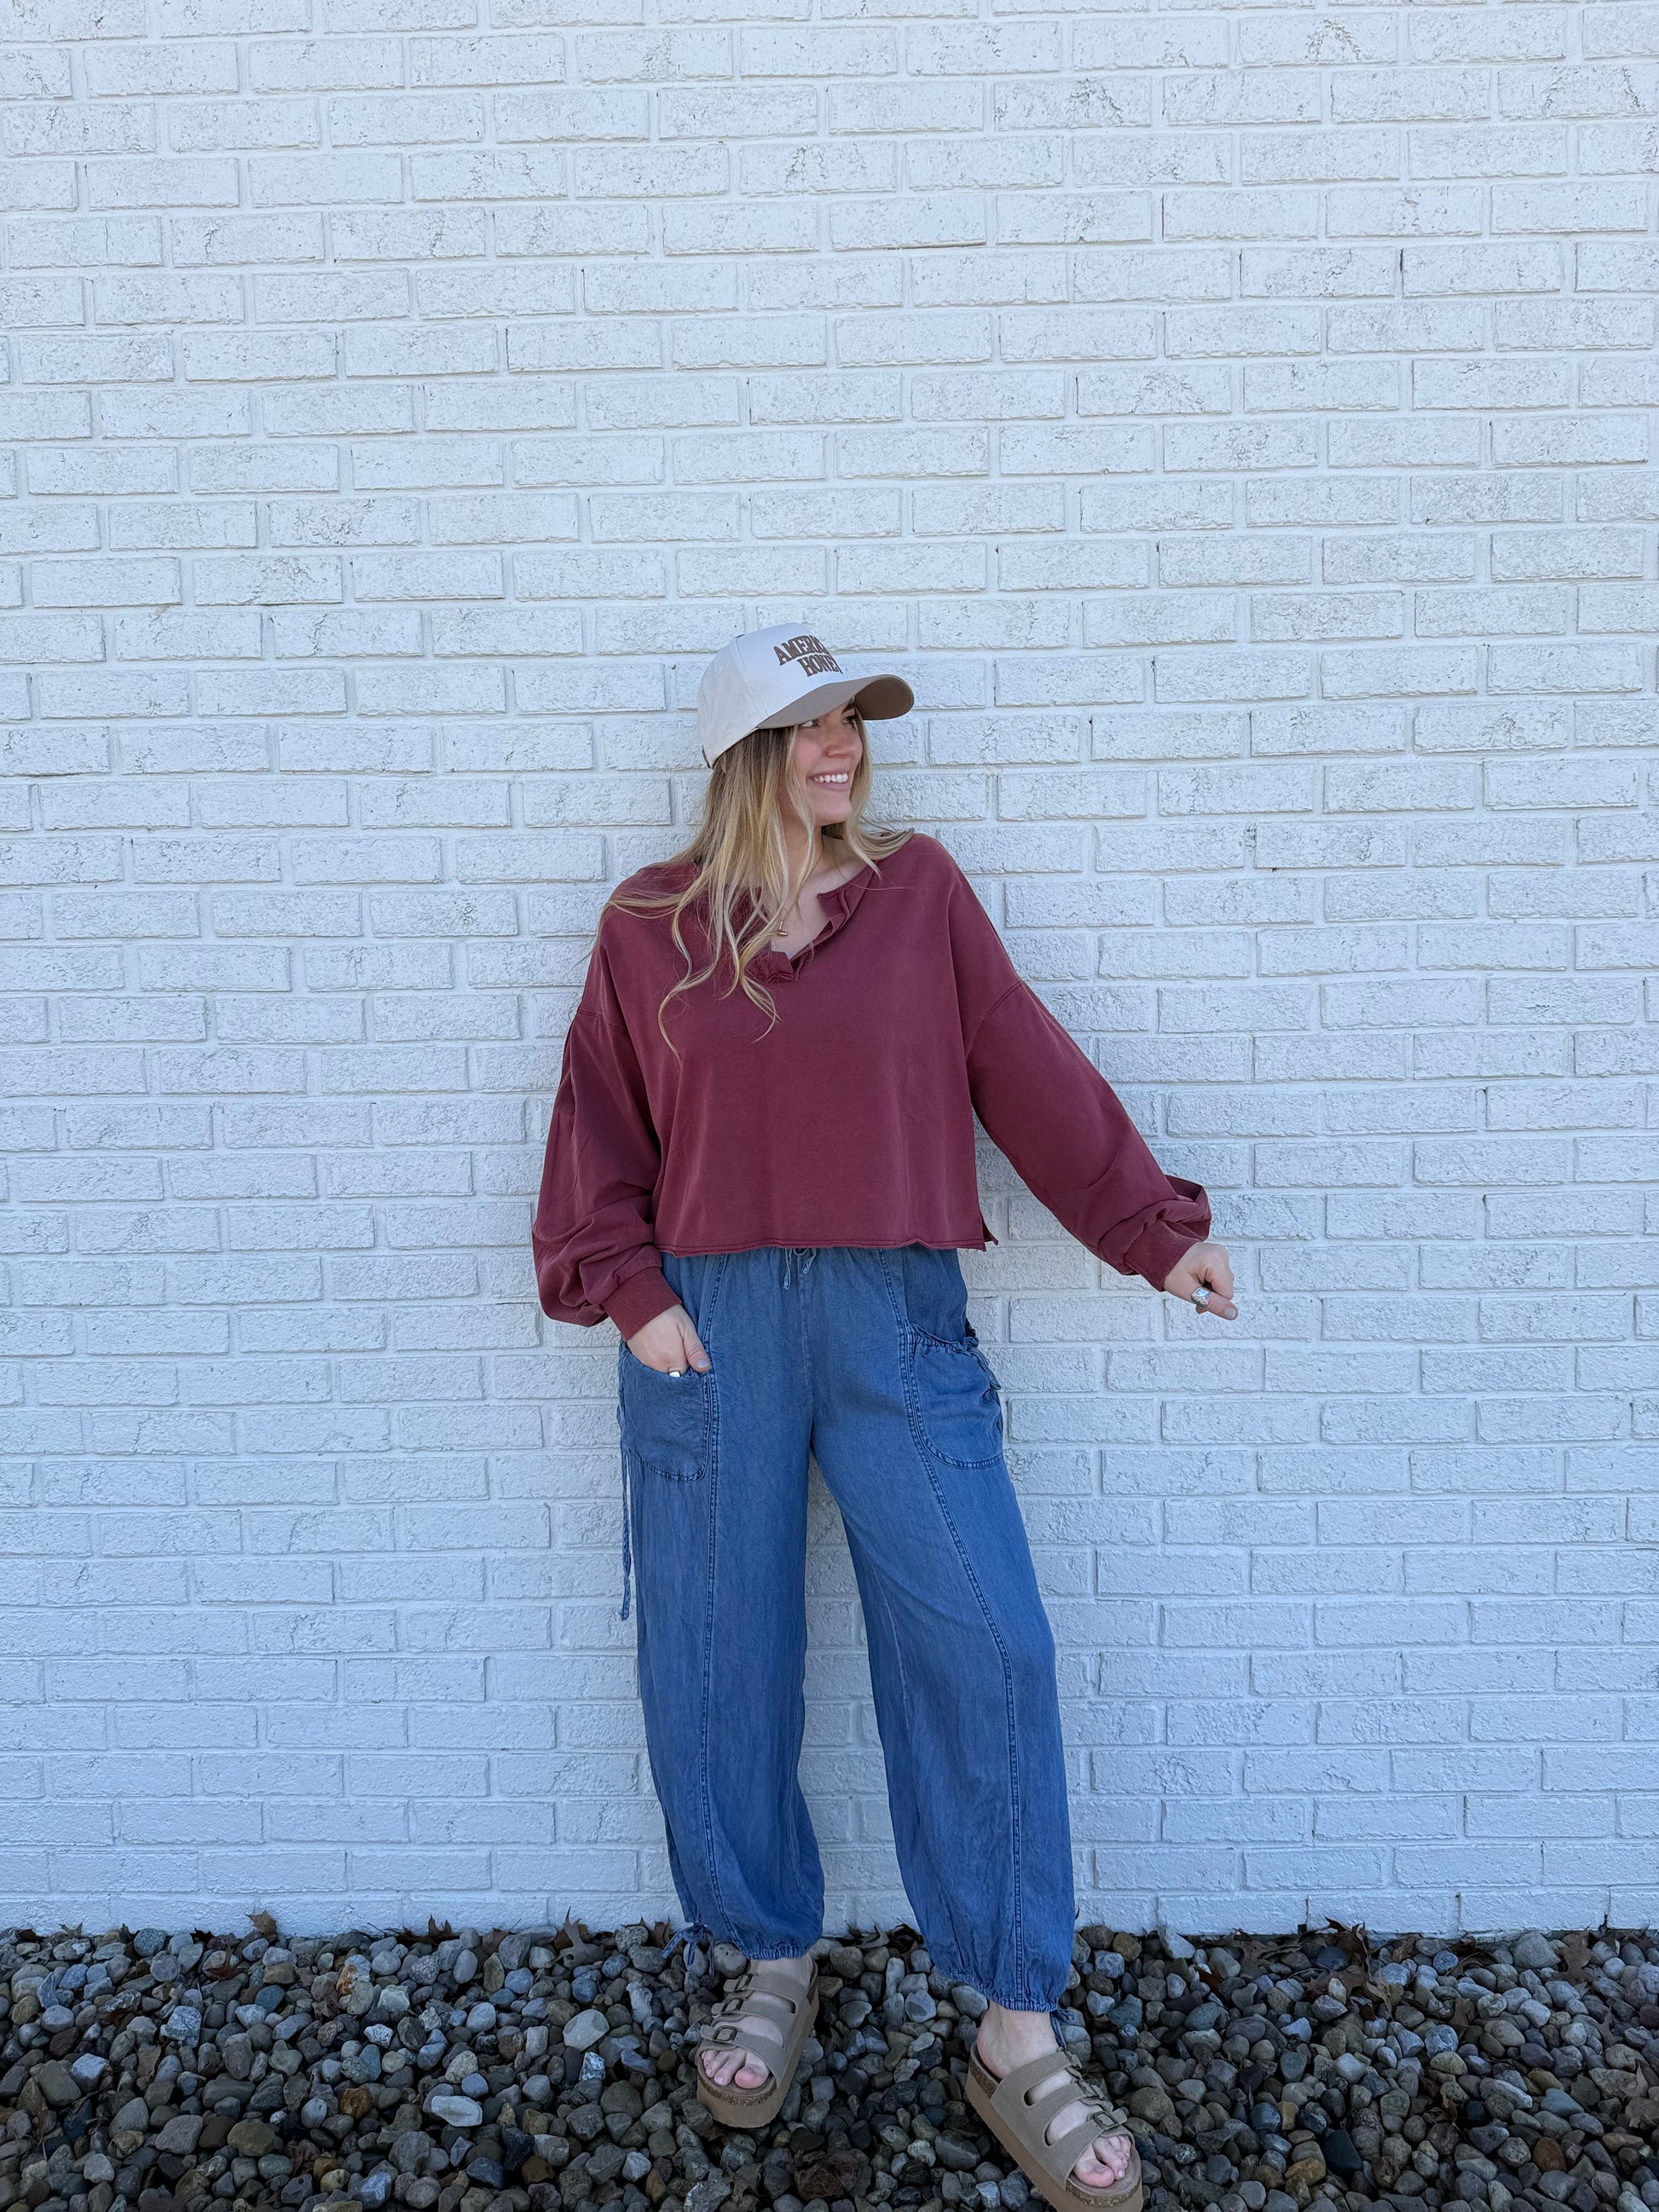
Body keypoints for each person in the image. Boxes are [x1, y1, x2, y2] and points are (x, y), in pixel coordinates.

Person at [531, 624, 1238, 2209]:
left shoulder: (918, 896)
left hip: (895, 1320)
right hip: (706, 1328)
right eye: (807, 726)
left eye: (851, 721)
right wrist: (631, 1296)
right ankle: (768, 1959)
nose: (841, 746)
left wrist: (1151, 1230)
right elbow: (595, 1126)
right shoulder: (648, 926)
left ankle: (1012, 2027)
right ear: (740, 754)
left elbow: (1023, 1066)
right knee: (717, 1657)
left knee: (988, 1646)